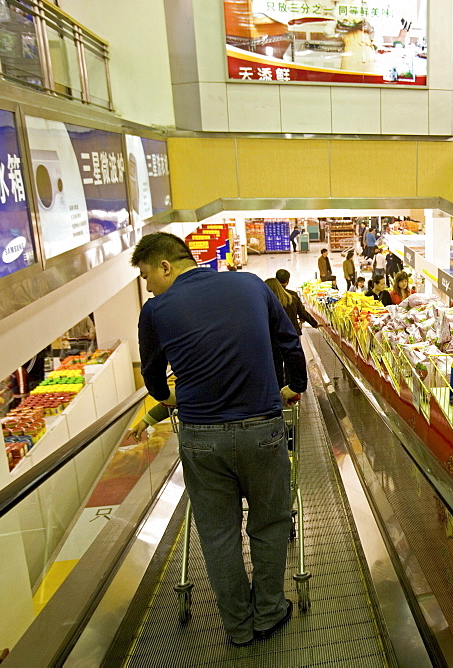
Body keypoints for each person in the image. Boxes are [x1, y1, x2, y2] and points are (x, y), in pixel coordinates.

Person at [130, 232, 305, 647]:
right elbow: (289, 341)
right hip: (263, 429)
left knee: (219, 534)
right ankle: (269, 612)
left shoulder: (154, 311)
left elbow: (154, 381)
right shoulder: (250, 285)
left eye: (147, 275)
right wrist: (293, 384)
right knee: (270, 522)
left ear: (166, 266)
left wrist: (174, 394)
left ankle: (238, 628)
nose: (148, 285)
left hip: (201, 439)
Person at [274, 269, 319, 334]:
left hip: (276, 333)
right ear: (287, 281)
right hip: (293, 331)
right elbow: (302, 312)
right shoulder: (292, 295)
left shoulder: (271, 295)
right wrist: (314, 324)